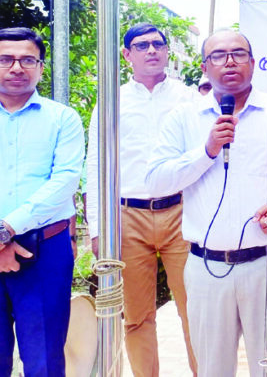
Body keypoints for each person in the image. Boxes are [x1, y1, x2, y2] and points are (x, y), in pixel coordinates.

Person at [145, 30, 267, 376]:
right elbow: (156, 181)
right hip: (206, 266)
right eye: (219, 55)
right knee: (212, 369)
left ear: (254, 63)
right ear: (203, 66)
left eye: (239, 54)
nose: (229, 61)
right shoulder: (184, 119)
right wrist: (207, 150)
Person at [85, 23, 198, 377]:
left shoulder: (189, 98)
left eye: (157, 44)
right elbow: (95, 164)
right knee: (136, 317)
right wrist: (97, 227)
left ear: (167, 51)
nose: (151, 50)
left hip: (181, 211)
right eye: (141, 45)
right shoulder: (112, 100)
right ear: (126, 54)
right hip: (127, 216)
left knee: (195, 310)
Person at [0, 27, 84, 376]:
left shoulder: (63, 118)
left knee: (45, 361)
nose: (17, 67)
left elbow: (65, 180)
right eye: (6, 59)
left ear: (40, 67)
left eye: (27, 59)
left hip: (44, 252)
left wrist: (6, 229)